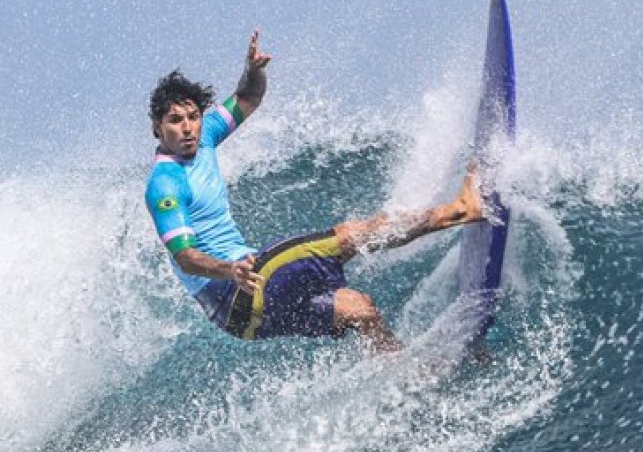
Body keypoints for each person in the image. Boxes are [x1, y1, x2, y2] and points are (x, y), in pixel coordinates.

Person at [145, 31, 482, 351]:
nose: (187, 127)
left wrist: (252, 71)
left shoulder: (203, 139)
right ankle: (462, 210)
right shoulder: (165, 185)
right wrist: (228, 270)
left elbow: (249, 96)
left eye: (193, 116)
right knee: (350, 236)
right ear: (158, 128)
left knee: (359, 309)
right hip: (234, 291)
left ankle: (404, 374)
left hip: (243, 317)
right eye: (175, 120)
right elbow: (185, 257)